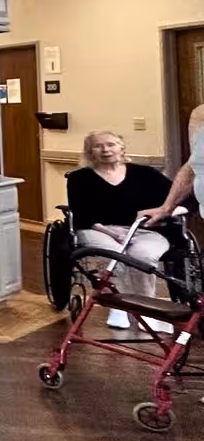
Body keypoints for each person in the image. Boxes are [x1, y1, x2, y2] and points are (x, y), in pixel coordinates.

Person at [66, 129, 170, 328]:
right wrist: (110, 231)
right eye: (98, 146)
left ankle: (146, 308)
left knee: (144, 257)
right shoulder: (80, 178)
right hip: (97, 228)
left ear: (121, 148)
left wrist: (162, 212)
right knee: (113, 255)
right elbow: (80, 211)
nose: (106, 150)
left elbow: (173, 200)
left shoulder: (145, 174)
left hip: (144, 229)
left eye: (111, 144)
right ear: (90, 152)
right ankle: (118, 307)